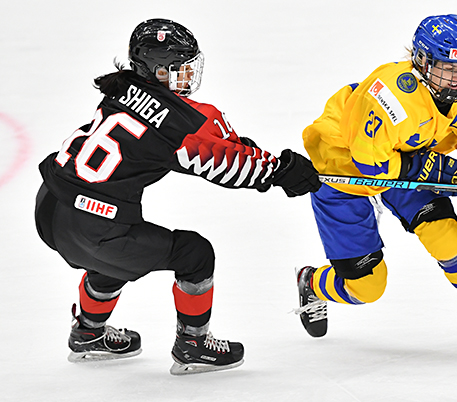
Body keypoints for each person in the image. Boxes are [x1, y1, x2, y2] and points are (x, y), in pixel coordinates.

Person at [34, 18, 321, 375]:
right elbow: (227, 164)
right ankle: (194, 345)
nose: (187, 74)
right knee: (194, 254)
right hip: (94, 228)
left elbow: (193, 146)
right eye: (179, 68)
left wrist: (263, 159)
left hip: (50, 207)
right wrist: (280, 171)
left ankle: (89, 333)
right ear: (157, 70)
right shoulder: (183, 120)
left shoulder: (121, 87)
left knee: (116, 257)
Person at [294, 14, 457, 345]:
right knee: (368, 287)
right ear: (422, 60)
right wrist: (418, 168)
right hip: (341, 166)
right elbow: (370, 165)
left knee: (446, 236)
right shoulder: (388, 96)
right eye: (447, 67)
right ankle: (313, 283)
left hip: (404, 158)